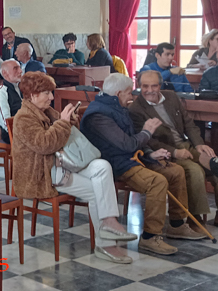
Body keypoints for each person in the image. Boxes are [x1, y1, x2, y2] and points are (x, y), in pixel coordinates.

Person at [11, 72, 138, 264]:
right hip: (43, 173)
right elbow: (44, 145)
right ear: (32, 95)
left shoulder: (46, 111)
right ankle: (105, 245)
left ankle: (109, 222)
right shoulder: (24, 118)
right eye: (47, 93)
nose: (51, 97)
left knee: (102, 166)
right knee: (96, 191)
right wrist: (63, 123)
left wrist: (70, 120)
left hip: (64, 163)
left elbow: (65, 133)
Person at [82, 73, 205, 256]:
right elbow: (127, 144)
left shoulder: (118, 106)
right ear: (118, 93)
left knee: (176, 171)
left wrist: (150, 153)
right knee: (157, 182)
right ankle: (150, 237)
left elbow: (133, 139)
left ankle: (177, 225)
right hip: (116, 165)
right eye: (129, 92)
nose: (132, 96)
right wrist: (147, 131)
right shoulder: (99, 114)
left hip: (134, 157)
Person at [130, 70, 218, 234]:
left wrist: (199, 144)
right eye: (145, 86)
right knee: (194, 170)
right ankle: (195, 218)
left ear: (160, 85)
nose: (149, 90)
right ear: (139, 86)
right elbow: (149, 141)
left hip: (187, 145)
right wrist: (175, 152)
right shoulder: (135, 109)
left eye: (154, 86)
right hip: (165, 152)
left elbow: (188, 123)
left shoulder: (171, 96)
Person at [0, 60, 23, 143]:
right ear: (5, 73)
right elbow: (6, 123)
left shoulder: (23, 88)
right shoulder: (0, 93)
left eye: (20, 67)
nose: (20, 71)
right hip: (13, 133)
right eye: (15, 68)